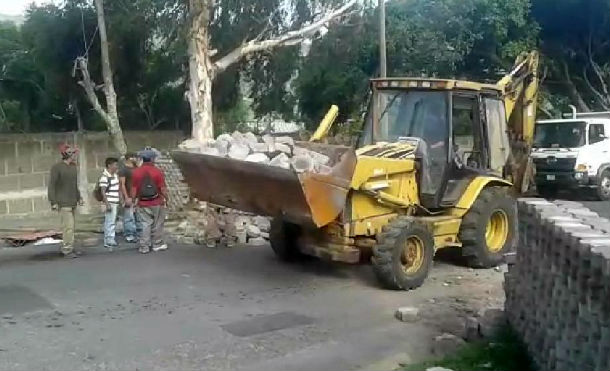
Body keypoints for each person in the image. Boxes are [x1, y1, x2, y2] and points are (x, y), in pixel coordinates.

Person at [48, 144, 84, 258]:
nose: (74, 155)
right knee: (68, 227)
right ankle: (67, 250)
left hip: (73, 201)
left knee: (72, 227)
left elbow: (74, 185)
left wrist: (79, 197)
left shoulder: (73, 167)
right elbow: (52, 186)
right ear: (66, 154)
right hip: (63, 203)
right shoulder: (57, 168)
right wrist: (53, 202)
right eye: (72, 153)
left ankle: (70, 247)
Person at [131, 148, 168, 254]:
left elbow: (134, 189)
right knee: (158, 223)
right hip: (156, 201)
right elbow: (162, 189)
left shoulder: (136, 172)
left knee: (144, 224)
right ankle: (157, 244)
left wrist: (134, 201)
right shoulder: (157, 172)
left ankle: (144, 246)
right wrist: (167, 198)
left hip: (142, 202)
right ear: (152, 159)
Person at [99, 157, 121, 250]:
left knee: (112, 221)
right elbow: (103, 191)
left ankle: (110, 238)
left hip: (115, 201)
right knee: (110, 221)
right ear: (109, 165)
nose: (116, 166)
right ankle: (109, 240)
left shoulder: (115, 176)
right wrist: (107, 203)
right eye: (115, 164)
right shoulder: (105, 177)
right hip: (110, 201)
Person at [119, 153, 139, 243]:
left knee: (137, 216)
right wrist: (126, 197)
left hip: (137, 195)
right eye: (133, 157)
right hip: (129, 195)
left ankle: (138, 233)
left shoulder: (136, 168)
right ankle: (129, 234)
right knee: (128, 216)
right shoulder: (123, 169)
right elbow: (122, 184)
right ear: (129, 158)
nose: (135, 158)